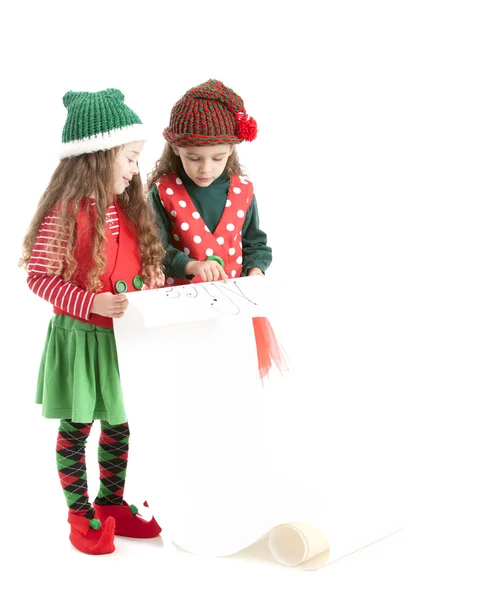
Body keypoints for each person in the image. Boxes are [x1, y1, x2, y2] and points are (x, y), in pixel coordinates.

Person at [19, 88, 165, 555]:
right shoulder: (65, 214)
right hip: (81, 338)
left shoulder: (127, 210)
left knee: (120, 424)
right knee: (78, 426)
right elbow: (39, 278)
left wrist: (152, 280)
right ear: (97, 156)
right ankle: (79, 515)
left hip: (121, 340)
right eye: (128, 158)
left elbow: (131, 267)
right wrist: (89, 303)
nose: (134, 169)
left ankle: (112, 502)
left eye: (137, 159)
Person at [146, 79, 288, 380]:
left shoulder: (243, 190)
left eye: (218, 158)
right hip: (181, 311)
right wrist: (192, 265)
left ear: (232, 150)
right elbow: (152, 249)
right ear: (176, 148)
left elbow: (255, 243)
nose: (205, 169)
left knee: (231, 378)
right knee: (188, 378)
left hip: (234, 309)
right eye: (193, 158)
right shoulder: (164, 191)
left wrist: (255, 271)